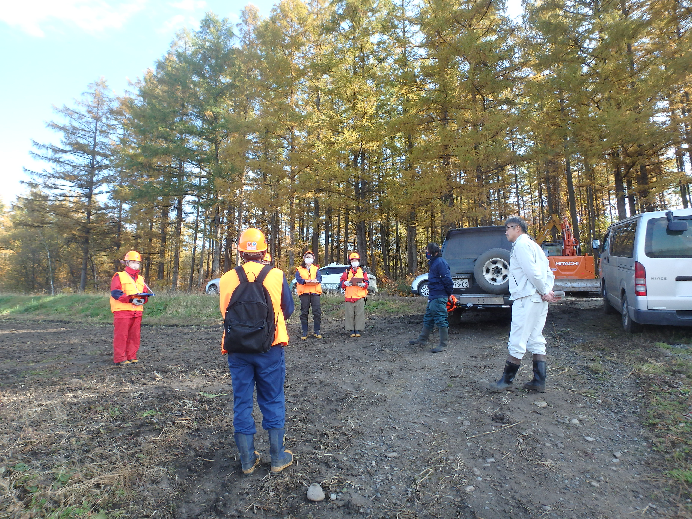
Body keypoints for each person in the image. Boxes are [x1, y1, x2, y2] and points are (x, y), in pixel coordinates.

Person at [219, 228, 295, 475]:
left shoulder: (227, 278)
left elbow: (225, 312)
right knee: (272, 399)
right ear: (264, 251)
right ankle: (277, 458)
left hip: (237, 349)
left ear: (241, 252)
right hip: (269, 347)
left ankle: (247, 461)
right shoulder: (276, 275)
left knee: (242, 402)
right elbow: (288, 309)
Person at [489, 216, 558, 393]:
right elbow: (548, 272)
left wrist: (544, 291)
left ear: (517, 228)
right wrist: (547, 291)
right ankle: (538, 381)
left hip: (527, 298)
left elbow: (532, 272)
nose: (506, 232)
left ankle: (506, 381)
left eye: (508, 228)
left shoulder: (520, 245)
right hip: (539, 299)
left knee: (518, 338)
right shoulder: (535, 246)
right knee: (535, 338)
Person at [409, 243, 454, 353]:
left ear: (435, 252)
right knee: (428, 317)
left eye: (428, 251)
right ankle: (422, 339)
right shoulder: (434, 263)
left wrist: (449, 294)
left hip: (439, 295)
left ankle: (443, 344)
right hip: (434, 295)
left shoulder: (440, 263)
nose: (426, 253)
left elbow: (447, 280)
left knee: (440, 318)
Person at [110, 250, 150, 366]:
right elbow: (116, 293)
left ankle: (132, 356)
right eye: (133, 262)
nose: (135, 265)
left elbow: (145, 293)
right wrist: (131, 300)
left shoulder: (141, 279)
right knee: (121, 336)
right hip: (122, 311)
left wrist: (143, 300)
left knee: (134, 336)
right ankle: (120, 358)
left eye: (137, 263)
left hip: (137, 312)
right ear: (127, 263)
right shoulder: (119, 276)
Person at [340, 252, 369, 337]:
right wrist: (345, 283)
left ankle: (358, 330)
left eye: (356, 260)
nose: (354, 262)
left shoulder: (363, 272)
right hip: (349, 296)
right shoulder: (346, 271)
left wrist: (364, 284)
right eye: (353, 260)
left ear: (359, 261)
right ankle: (351, 330)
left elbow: (367, 282)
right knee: (350, 314)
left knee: (359, 314)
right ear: (350, 262)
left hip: (359, 297)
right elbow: (341, 283)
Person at [295, 250, 322, 340]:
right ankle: (304, 332)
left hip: (315, 293)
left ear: (313, 259)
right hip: (304, 293)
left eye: (310, 257)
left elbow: (319, 278)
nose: (308, 259)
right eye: (307, 257)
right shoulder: (299, 269)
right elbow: (298, 279)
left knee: (317, 312)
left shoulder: (316, 269)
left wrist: (316, 281)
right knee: (304, 313)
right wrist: (305, 281)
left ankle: (317, 331)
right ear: (304, 258)